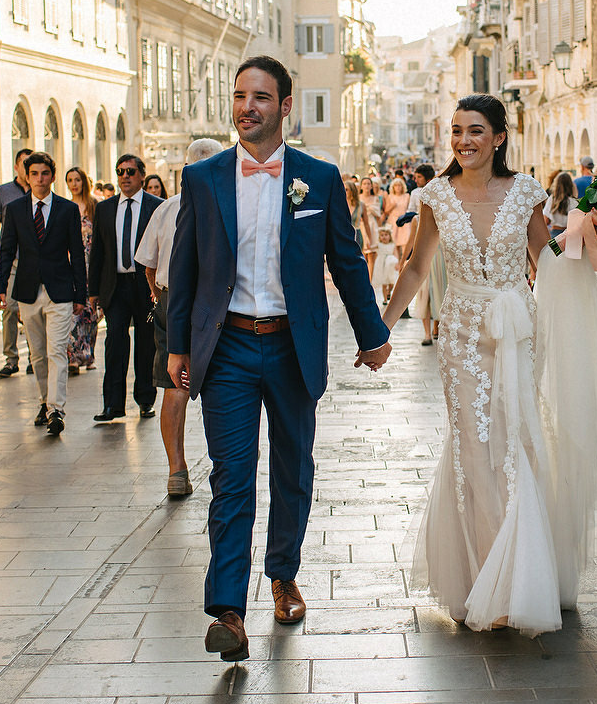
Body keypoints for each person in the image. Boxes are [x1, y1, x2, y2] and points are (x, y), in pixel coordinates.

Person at [167, 54, 392, 663]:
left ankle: (283, 574)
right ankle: (228, 611)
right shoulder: (205, 177)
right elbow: (184, 267)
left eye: (260, 98)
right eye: (240, 96)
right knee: (231, 478)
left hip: (294, 346)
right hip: (231, 347)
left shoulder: (316, 179)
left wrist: (372, 335)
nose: (247, 107)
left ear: (284, 107)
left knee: (293, 470)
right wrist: (177, 347)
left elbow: (345, 261)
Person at [382, 93, 597, 636]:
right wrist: (382, 326)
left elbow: (547, 261)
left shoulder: (527, 193)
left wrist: (589, 235)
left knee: (515, 442)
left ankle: (522, 575)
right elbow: (418, 268)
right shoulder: (436, 195)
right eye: (457, 131)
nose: (464, 140)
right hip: (461, 333)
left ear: (500, 137)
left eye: (476, 131)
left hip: (517, 332)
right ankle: (489, 575)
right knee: (472, 445)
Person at [133, 137, 223, 499]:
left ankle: (177, 470)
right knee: (220, 382)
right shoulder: (223, 205)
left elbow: (149, 265)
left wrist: (161, 296)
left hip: (174, 302)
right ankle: (224, 465)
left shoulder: (168, 208)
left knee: (175, 386)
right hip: (215, 304)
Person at [0, 152, 87, 436]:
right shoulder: (16, 209)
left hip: (60, 291)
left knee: (57, 350)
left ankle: (57, 410)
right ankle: (45, 403)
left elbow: (77, 255)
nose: (39, 179)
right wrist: (0, 288)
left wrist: (81, 295)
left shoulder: (67, 209)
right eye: (34, 174)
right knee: (37, 354)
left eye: (44, 173)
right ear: (26, 176)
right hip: (27, 291)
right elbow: (6, 250)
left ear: (52, 176)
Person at [87, 154, 162, 422]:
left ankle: (145, 399)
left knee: (146, 344)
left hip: (145, 286)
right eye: (120, 171)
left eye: (130, 171)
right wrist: (93, 291)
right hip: (115, 286)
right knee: (115, 344)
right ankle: (113, 405)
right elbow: (98, 251)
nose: (124, 176)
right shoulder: (105, 209)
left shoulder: (156, 206)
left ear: (142, 175)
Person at [0, 148, 33, 379]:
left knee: (32, 311)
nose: (29, 169)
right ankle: (11, 359)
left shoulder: (41, 191)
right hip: (10, 260)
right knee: (9, 308)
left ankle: (35, 356)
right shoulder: (3, 192)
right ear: (16, 167)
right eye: (24, 164)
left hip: (33, 261)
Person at [63, 167, 99, 376]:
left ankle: (89, 354)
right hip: (72, 266)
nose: (74, 184)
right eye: (70, 180)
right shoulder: (65, 207)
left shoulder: (95, 206)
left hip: (92, 265)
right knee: (73, 315)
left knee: (90, 314)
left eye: (77, 179)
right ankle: (73, 358)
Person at [406, 162, 445, 346]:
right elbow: (411, 241)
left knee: (439, 292)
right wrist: (403, 259)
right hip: (425, 259)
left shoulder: (444, 218)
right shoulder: (416, 218)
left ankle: (436, 328)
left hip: (441, 258)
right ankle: (427, 333)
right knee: (425, 295)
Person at [382, 177, 410, 265]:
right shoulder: (390, 196)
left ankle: (404, 264)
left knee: (405, 243)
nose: (398, 187)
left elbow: (409, 209)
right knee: (394, 244)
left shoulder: (407, 196)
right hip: (393, 221)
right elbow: (386, 211)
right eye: (396, 186)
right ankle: (397, 265)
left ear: (403, 187)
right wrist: (392, 206)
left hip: (404, 221)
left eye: (399, 185)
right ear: (393, 187)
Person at [545, 171, 576, 236]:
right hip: (569, 234)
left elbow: (546, 220)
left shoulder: (552, 199)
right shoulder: (574, 202)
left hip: (555, 233)